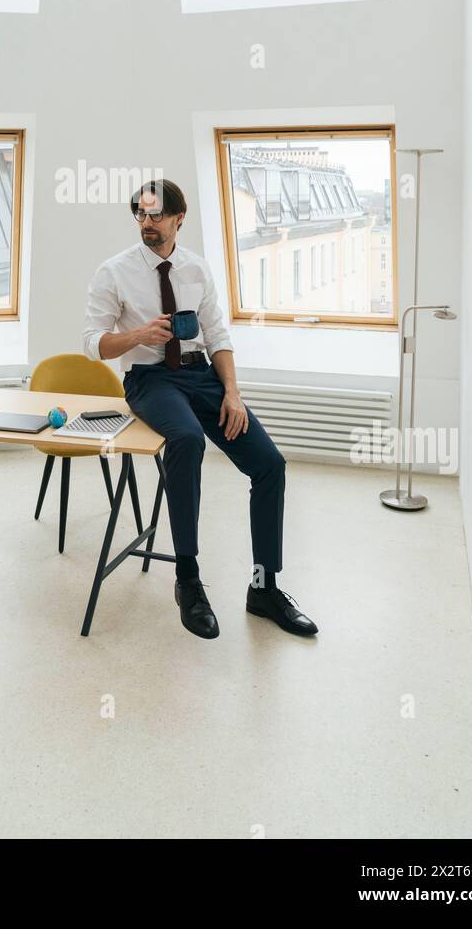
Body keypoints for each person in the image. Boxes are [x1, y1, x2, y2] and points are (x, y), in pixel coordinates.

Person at [82, 178, 318, 641]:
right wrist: (137, 336)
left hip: (204, 377)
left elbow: (218, 338)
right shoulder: (113, 271)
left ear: (178, 219)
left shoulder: (197, 269)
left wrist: (232, 392)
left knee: (270, 464)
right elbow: (93, 343)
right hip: (149, 379)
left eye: (156, 215)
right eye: (140, 215)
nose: (147, 224)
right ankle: (187, 580)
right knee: (186, 439)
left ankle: (264, 587)